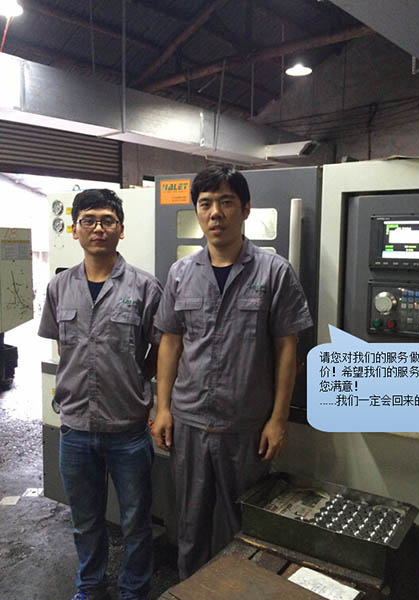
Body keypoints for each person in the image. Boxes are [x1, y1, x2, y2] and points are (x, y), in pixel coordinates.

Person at [152, 166, 312, 579]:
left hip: (246, 427)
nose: (215, 213)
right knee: (189, 526)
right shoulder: (180, 273)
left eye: (226, 202)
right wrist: (162, 408)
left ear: (245, 209)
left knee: (246, 527)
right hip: (189, 422)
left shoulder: (275, 272)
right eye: (205, 203)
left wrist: (278, 420)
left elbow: (287, 350)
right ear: (197, 211)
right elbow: (170, 342)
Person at [38, 189, 162, 600]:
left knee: (136, 521)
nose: (98, 228)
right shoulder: (59, 287)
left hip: (128, 428)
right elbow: (64, 347)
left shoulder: (145, 286)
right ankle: (90, 586)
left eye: (107, 220)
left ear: (121, 230)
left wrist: (134, 377)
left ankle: (134, 590)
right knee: (85, 520)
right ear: (74, 230)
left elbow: (162, 347)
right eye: (88, 220)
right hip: (75, 427)